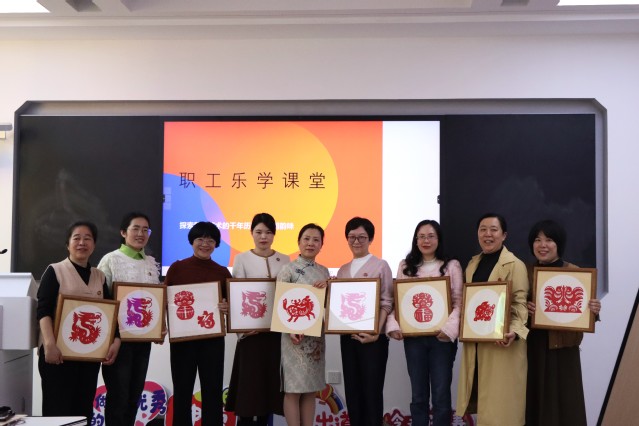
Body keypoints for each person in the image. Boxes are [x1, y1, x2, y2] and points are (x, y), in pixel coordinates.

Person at [37, 221, 120, 420]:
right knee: (57, 411)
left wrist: (116, 340)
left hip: (89, 358)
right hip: (58, 356)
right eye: (77, 238)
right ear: (68, 244)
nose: (82, 243)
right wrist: (49, 344)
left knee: (83, 412)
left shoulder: (99, 276)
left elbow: (109, 312)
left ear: (94, 245)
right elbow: (43, 310)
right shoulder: (55, 270)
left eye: (87, 238)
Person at [386, 219, 463, 426]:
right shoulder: (405, 266)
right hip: (414, 340)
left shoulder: (452, 265)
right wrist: (393, 326)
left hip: (442, 340)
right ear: (415, 240)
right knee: (418, 395)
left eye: (430, 236)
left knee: (441, 394)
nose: (425, 241)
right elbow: (398, 301)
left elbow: (459, 302)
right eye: (421, 237)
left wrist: (449, 329)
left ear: (439, 239)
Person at [525, 219, 602, 426]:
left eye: (549, 240)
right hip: (534, 348)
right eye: (537, 240)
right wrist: (524, 308)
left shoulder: (575, 272)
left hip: (565, 350)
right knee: (534, 402)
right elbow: (514, 306)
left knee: (567, 404)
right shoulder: (525, 271)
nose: (543, 245)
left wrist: (593, 310)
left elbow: (584, 312)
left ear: (559, 244)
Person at [456, 213, 529, 426]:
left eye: (494, 229)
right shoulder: (472, 264)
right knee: (485, 404)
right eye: (483, 229)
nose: (488, 234)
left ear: (504, 235)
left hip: (503, 343)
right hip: (478, 341)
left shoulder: (515, 264)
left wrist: (514, 331)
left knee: (503, 407)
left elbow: (520, 303)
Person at [226, 213, 291, 425]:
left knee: (269, 388)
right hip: (251, 335)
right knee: (248, 388)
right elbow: (236, 296)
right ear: (251, 233)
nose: (264, 237)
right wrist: (242, 330)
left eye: (268, 232)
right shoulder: (241, 259)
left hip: (275, 335)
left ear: (274, 234)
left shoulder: (285, 259)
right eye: (259, 232)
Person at [164, 221, 231, 426]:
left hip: (212, 340)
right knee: (182, 390)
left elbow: (231, 305)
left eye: (210, 240)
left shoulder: (222, 272)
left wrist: (226, 307)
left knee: (212, 390)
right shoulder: (177, 268)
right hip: (182, 340)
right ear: (192, 241)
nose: (205, 244)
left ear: (216, 244)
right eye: (200, 239)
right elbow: (164, 300)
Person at [98, 212, 161, 425]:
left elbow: (155, 301)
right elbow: (102, 300)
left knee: (134, 395)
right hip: (118, 341)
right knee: (119, 396)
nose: (141, 234)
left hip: (143, 340)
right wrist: (113, 337)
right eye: (136, 228)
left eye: (145, 230)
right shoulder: (111, 260)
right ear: (123, 232)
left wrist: (160, 326)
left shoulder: (151, 263)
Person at [335, 217, 393, 426]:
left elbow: (387, 302)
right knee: (353, 390)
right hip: (348, 338)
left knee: (372, 391)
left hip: (373, 339)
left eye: (361, 237)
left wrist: (376, 332)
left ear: (371, 239)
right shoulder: (342, 270)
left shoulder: (381, 265)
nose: (356, 241)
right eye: (351, 237)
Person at [277, 223, 330, 426]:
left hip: (316, 337)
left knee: (310, 389)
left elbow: (328, 303)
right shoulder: (287, 269)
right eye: (306, 238)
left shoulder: (324, 271)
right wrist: (290, 330)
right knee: (293, 390)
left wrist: (330, 286)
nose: (310, 243)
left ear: (322, 245)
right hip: (293, 338)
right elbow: (280, 304)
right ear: (298, 242)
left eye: (316, 240)